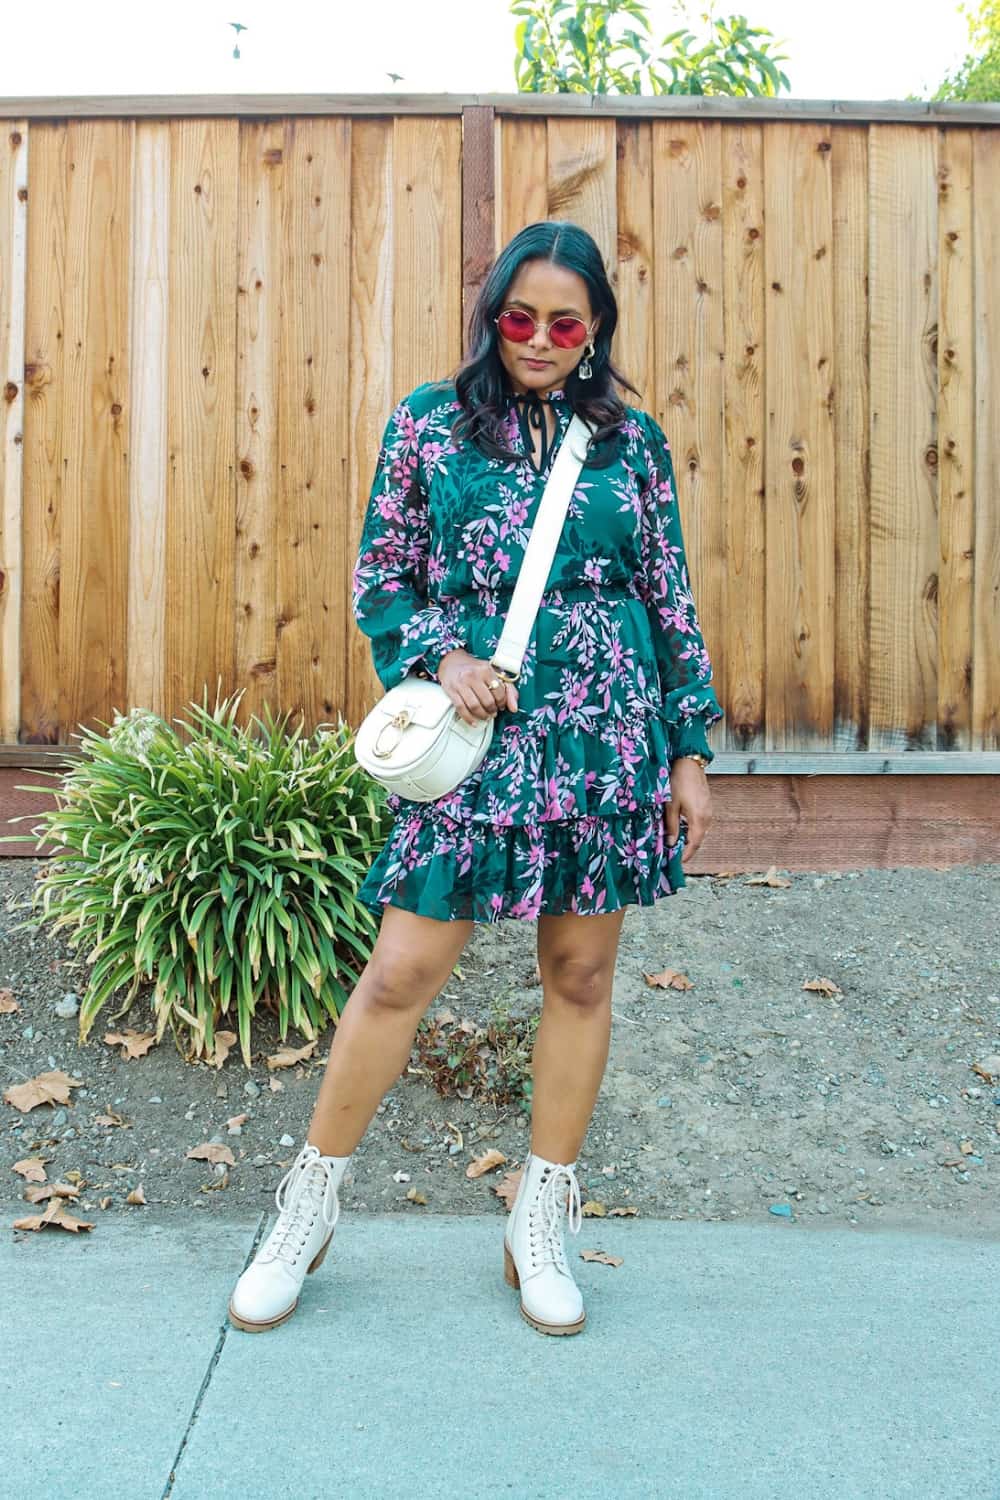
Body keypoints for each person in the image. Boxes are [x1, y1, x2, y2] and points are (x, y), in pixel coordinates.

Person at [228, 220, 723, 1339]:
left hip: (603, 736)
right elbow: (383, 576)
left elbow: (667, 594)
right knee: (400, 971)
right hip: (477, 734)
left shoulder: (630, 443)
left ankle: (538, 1220)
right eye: (520, 317)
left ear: (595, 331)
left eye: (565, 324)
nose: (539, 340)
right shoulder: (429, 425)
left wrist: (688, 747)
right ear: (491, 315)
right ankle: (306, 1208)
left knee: (581, 976)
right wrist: (438, 656)